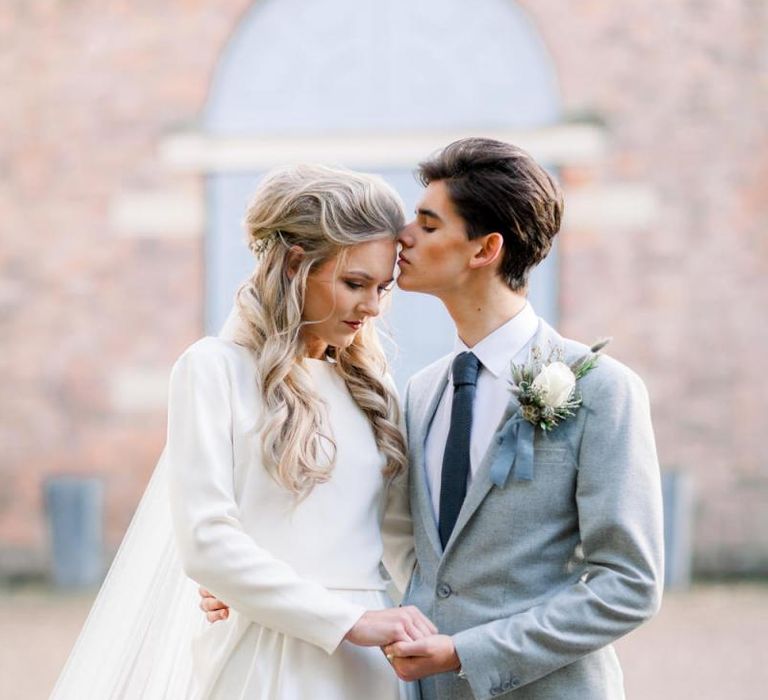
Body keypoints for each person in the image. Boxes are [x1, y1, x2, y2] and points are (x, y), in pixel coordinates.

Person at [203, 138, 664, 700]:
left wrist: (470, 653)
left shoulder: (601, 390)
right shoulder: (418, 394)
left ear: (483, 249)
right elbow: (384, 533)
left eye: (426, 223)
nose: (403, 237)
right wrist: (260, 583)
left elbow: (629, 584)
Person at [51, 164, 435, 700]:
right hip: (267, 659)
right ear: (296, 264)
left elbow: (403, 542)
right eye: (354, 284)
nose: (371, 307)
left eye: (382, 288)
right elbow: (207, 542)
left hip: (370, 666)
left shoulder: (376, 388)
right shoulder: (212, 369)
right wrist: (347, 620)